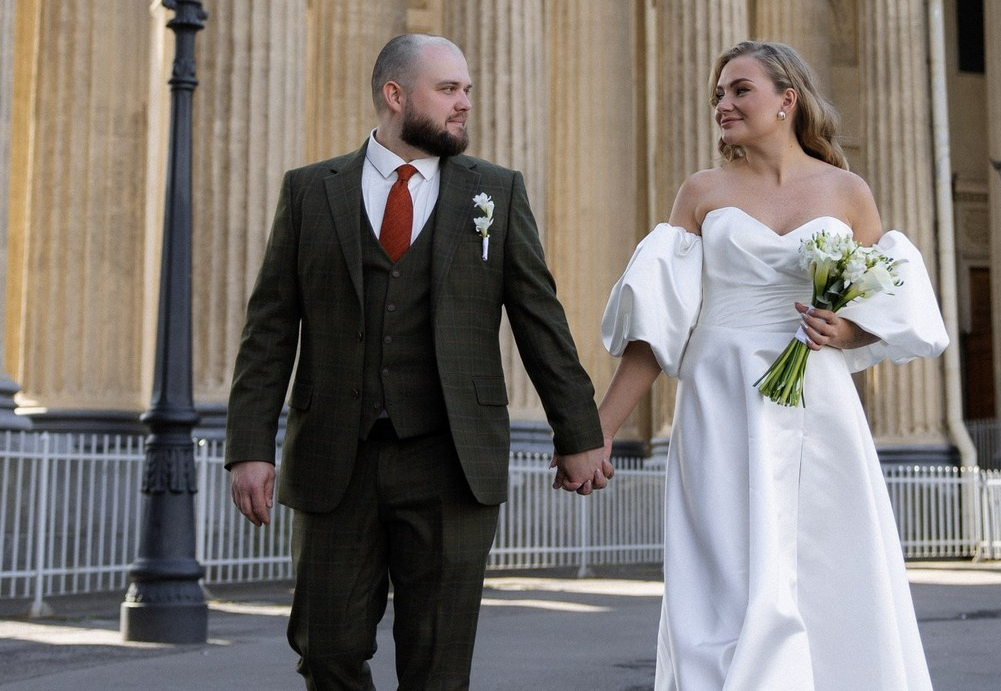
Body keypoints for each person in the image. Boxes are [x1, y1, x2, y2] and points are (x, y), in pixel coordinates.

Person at [225, 34, 609, 691]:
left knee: (438, 666)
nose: (464, 104)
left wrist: (579, 434)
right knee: (325, 648)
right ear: (394, 95)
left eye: (467, 90)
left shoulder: (496, 192)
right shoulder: (312, 192)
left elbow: (541, 320)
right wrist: (249, 446)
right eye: (449, 90)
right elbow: (269, 330)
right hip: (335, 459)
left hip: (450, 462)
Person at [597, 39, 948, 691]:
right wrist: (601, 428)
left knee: (828, 568)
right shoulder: (701, 193)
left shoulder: (848, 191)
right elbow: (656, 326)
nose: (723, 104)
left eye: (739, 90)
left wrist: (848, 330)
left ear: (787, 100)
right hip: (719, 397)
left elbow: (885, 294)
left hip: (817, 401)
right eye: (718, 95)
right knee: (725, 578)